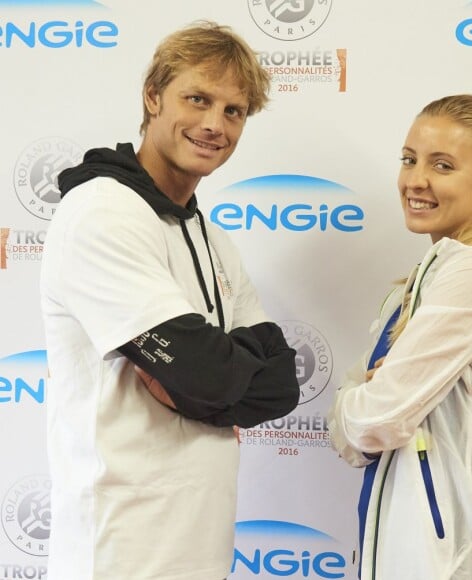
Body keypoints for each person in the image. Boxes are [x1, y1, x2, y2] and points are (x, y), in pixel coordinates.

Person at [40, 21, 300, 580]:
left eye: (233, 111)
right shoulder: (102, 212)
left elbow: (281, 385)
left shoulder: (209, 235)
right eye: (198, 99)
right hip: (120, 546)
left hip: (198, 544)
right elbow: (204, 372)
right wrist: (211, 375)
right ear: (153, 97)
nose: (214, 124)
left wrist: (207, 378)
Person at [328, 94, 472, 579]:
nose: (417, 180)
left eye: (443, 165)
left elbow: (375, 418)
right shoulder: (436, 271)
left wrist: (355, 402)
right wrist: (364, 403)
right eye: (410, 160)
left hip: (450, 561)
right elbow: (368, 423)